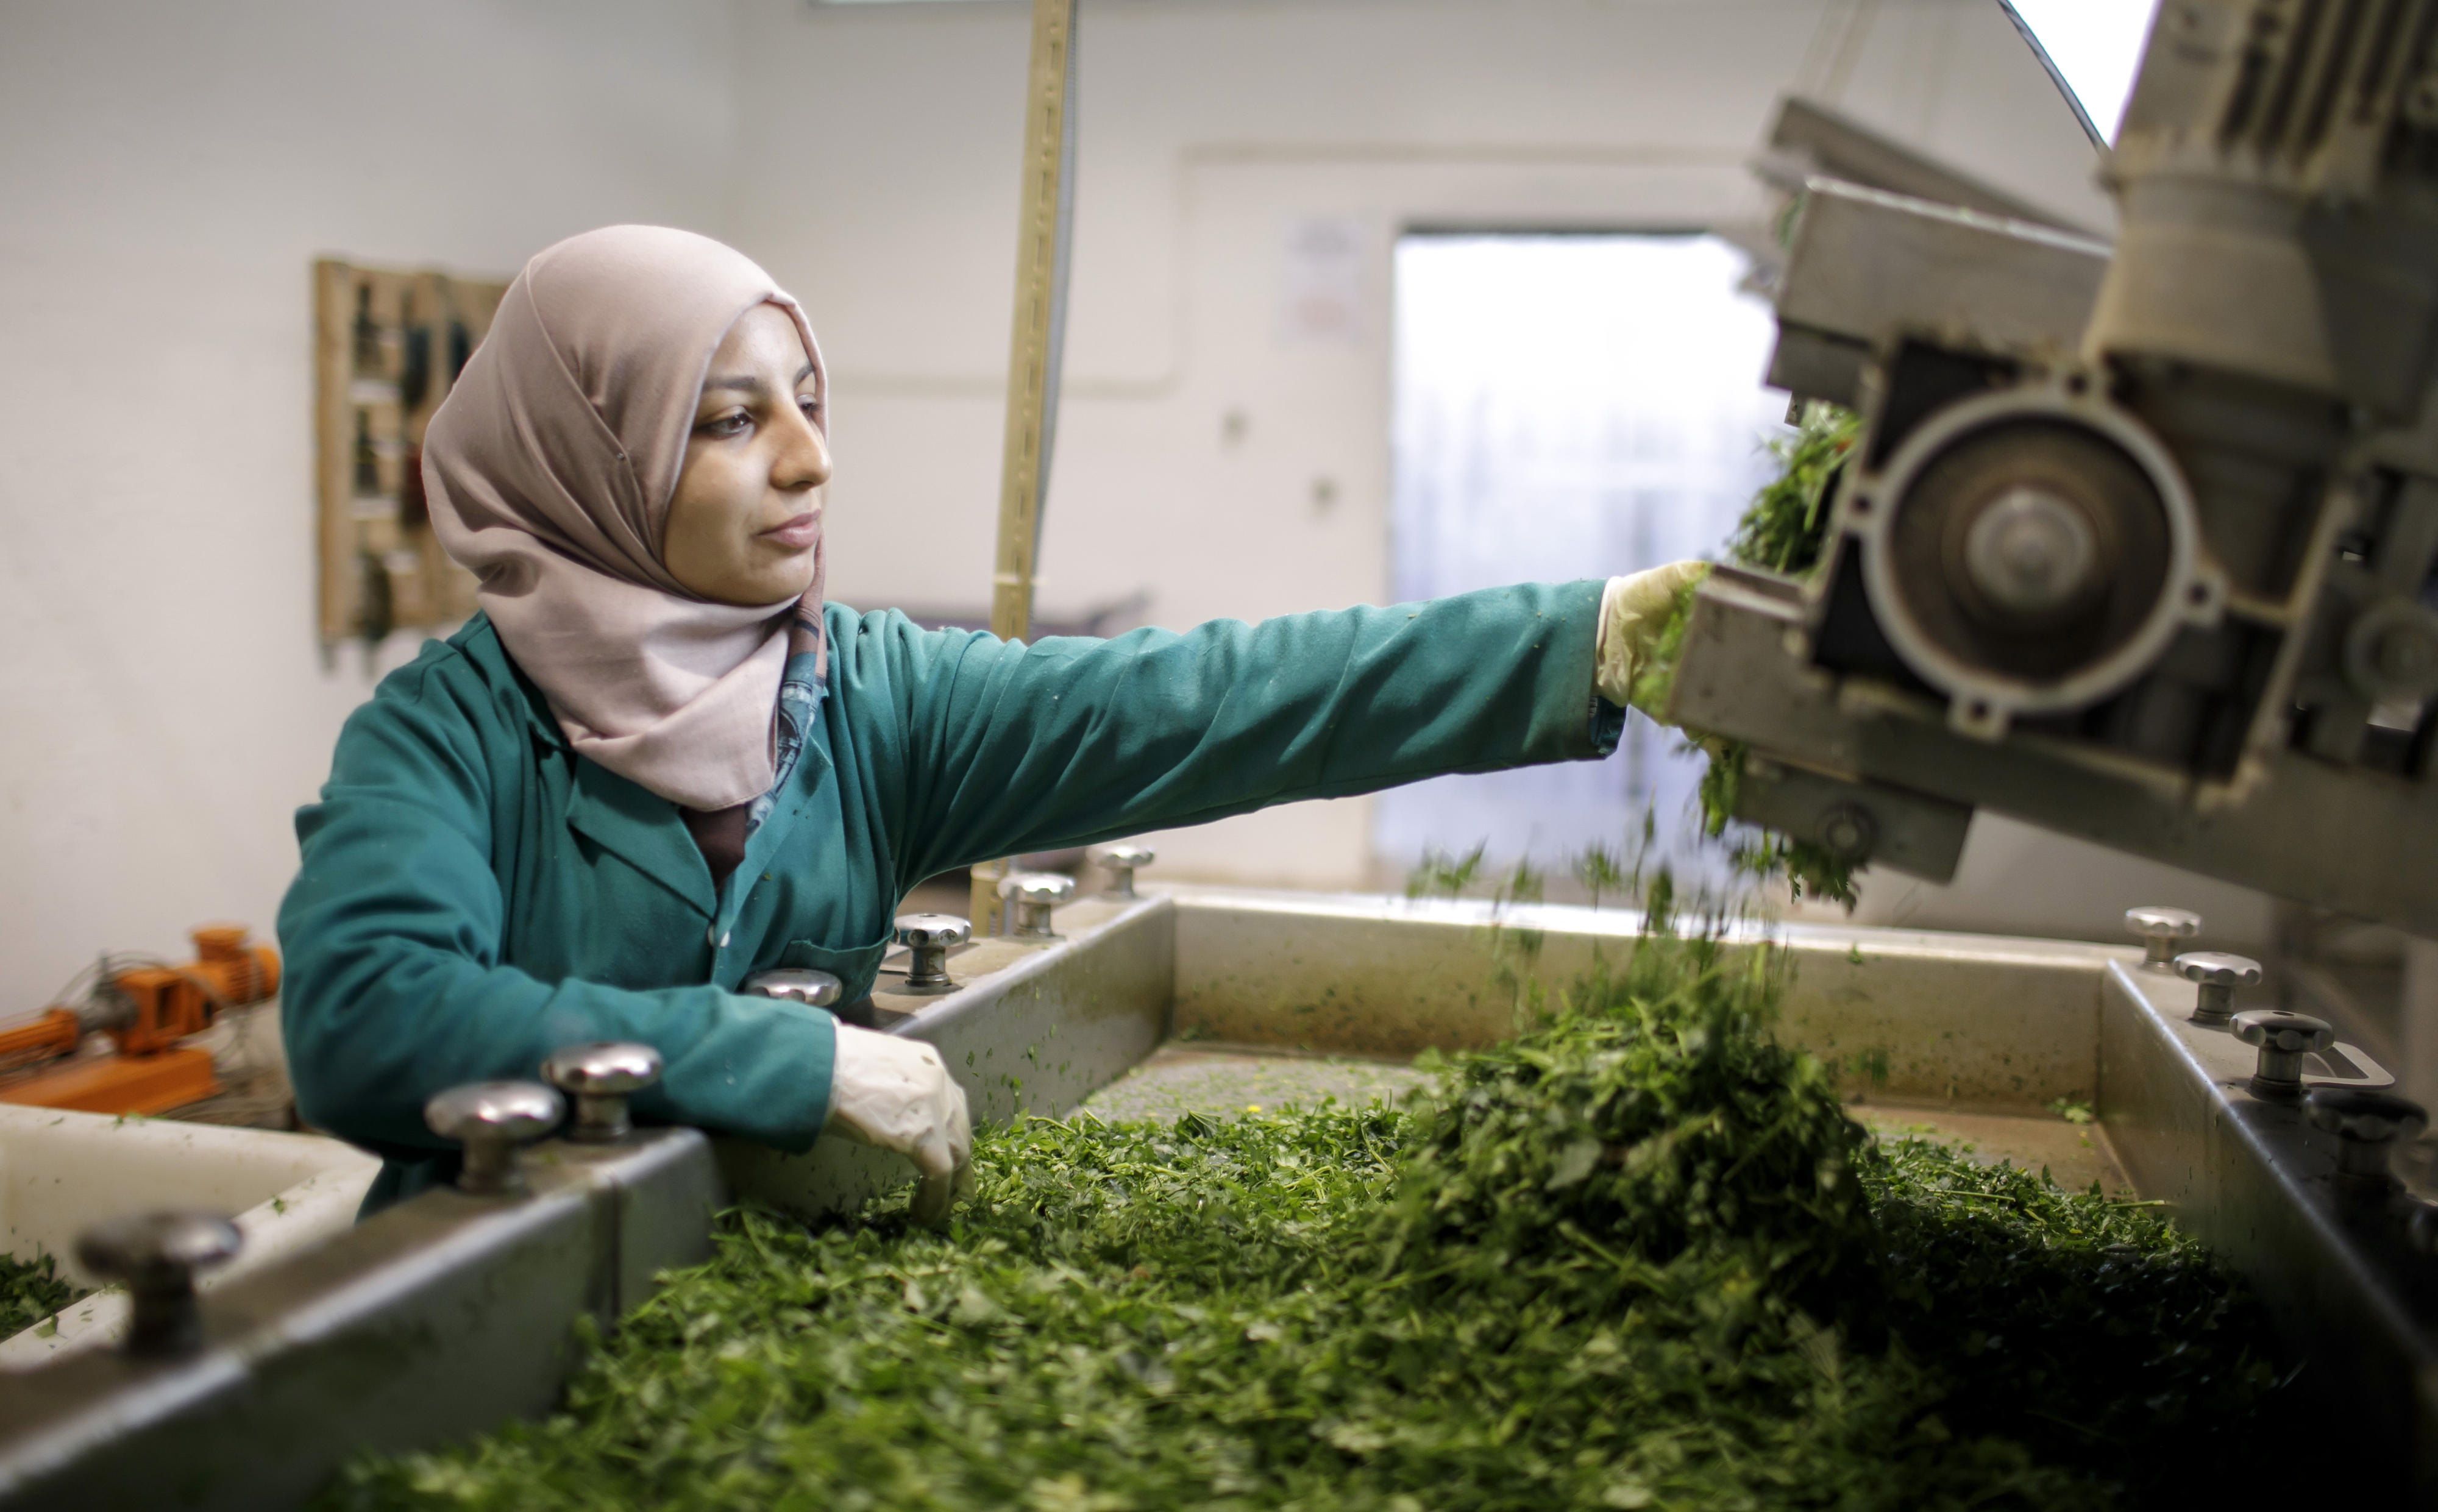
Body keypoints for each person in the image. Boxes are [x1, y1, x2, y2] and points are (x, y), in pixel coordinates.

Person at [278, 225, 1704, 1223]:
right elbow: (366, 1014)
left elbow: (1218, 701)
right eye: (728, 420)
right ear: (586, 457)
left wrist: (1577, 637)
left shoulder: (869, 701)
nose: (810, 455)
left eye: (811, 401)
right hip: (485, 1313)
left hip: (770, 1305)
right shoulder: (446, 737)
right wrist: (790, 1057)